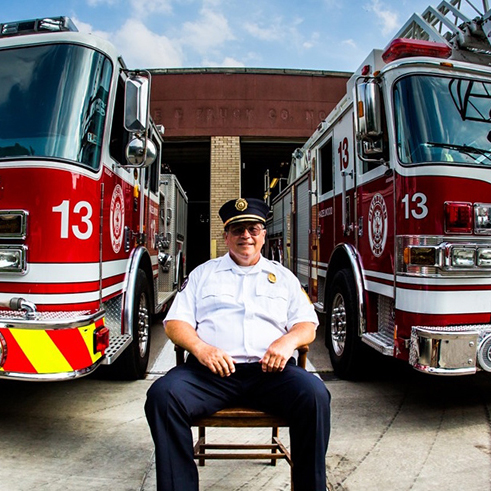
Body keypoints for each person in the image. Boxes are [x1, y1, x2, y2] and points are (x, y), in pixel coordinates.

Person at [145, 197, 331, 491]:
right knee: (163, 397)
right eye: (238, 229)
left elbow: (307, 324)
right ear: (226, 236)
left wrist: (287, 342)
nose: (246, 235)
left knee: (315, 396)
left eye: (253, 229)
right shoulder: (202, 275)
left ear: (263, 234)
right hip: (210, 375)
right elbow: (175, 323)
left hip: (271, 374)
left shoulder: (283, 278)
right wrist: (201, 348)